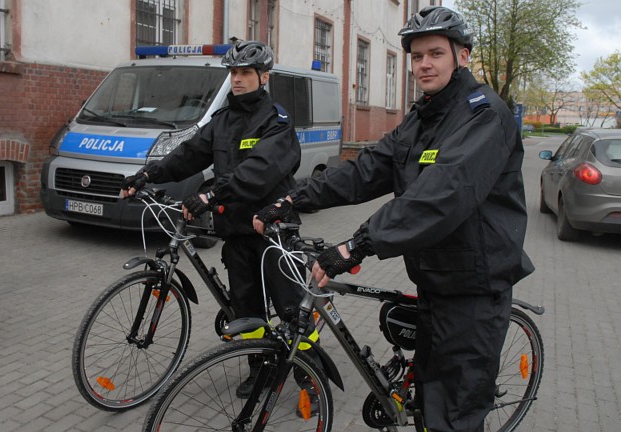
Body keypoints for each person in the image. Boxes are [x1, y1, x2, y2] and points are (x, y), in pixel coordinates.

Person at [254, 6, 534, 432]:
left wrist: (357, 244)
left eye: (436, 53)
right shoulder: (424, 116)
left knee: (453, 417)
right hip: (436, 278)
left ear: (463, 56)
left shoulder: (484, 115)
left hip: (475, 287)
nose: (424, 64)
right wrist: (293, 198)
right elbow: (368, 168)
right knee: (428, 402)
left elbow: (442, 193)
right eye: (417, 56)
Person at [121, 40, 318, 398]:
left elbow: (259, 170)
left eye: (245, 73)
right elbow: (188, 155)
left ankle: (311, 374)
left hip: (272, 231)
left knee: (291, 307)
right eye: (233, 73)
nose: (237, 80)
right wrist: (148, 175)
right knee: (247, 309)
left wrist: (211, 195)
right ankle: (260, 368)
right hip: (236, 232)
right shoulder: (222, 122)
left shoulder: (277, 123)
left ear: (263, 77)